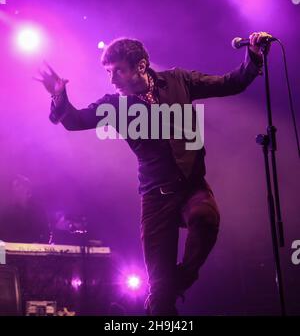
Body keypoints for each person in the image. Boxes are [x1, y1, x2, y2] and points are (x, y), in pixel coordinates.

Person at [36, 32, 271, 315]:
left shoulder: (179, 81)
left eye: (117, 71)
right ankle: (165, 295)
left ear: (142, 66)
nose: (112, 80)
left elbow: (229, 83)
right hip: (156, 198)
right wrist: (59, 94)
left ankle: (182, 279)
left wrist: (255, 56)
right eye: (108, 73)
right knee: (160, 296)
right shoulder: (115, 105)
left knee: (205, 218)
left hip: (191, 186)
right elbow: (74, 121)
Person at [0, 175, 49, 243]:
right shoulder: (6, 211)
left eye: (21, 185)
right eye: (15, 186)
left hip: (35, 250)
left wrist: (39, 246)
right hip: (11, 250)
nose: (17, 189)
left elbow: (46, 232)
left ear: (27, 189)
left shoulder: (38, 210)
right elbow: (2, 235)